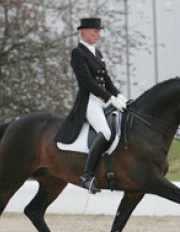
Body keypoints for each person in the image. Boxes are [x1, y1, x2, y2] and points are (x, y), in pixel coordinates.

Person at [55, 17, 127, 194]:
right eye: (95, 31)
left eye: (99, 31)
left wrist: (119, 95)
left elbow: (105, 79)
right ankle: (87, 176)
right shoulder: (78, 53)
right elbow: (86, 81)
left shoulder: (97, 52)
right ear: (84, 32)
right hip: (89, 100)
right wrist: (110, 97)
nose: (98, 34)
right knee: (106, 132)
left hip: (102, 99)